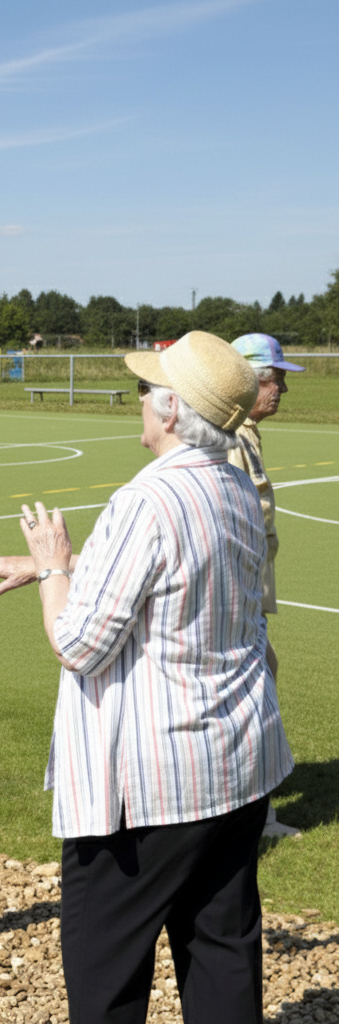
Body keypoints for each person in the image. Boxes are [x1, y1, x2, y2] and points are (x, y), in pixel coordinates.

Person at [0, 331, 294, 1024]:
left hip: (151, 788)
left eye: (147, 391)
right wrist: (67, 570)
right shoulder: (234, 481)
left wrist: (53, 563)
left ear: (171, 411)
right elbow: (182, 575)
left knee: (105, 968)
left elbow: (78, 644)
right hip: (235, 764)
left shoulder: (145, 502)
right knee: (222, 951)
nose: (138, 402)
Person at [230, 333, 305, 838]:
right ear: (247, 382)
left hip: (247, 594)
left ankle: (253, 814)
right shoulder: (232, 439)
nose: (280, 388)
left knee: (262, 685)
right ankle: (253, 819)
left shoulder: (247, 433)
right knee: (255, 694)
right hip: (235, 596)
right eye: (272, 379)